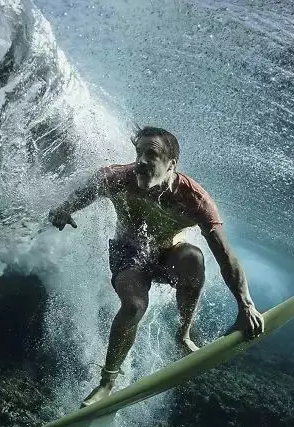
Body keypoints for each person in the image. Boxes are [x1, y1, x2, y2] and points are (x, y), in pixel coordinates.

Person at [48, 126, 265, 406]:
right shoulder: (118, 178)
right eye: (139, 153)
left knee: (193, 258)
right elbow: (89, 188)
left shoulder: (194, 200)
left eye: (152, 154)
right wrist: (65, 209)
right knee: (135, 305)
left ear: (171, 165)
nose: (140, 161)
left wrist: (246, 305)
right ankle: (107, 383)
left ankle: (183, 334)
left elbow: (226, 257)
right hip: (127, 254)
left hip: (168, 256)